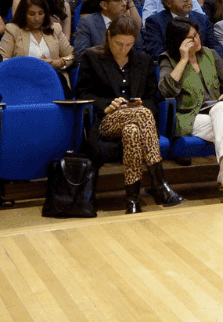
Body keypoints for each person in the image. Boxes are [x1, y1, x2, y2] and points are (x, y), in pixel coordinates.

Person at [76, 14, 181, 213]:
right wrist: (109, 105)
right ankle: (159, 184)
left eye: (129, 44)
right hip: (106, 120)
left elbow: (152, 98)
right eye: (119, 44)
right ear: (108, 36)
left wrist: (138, 105)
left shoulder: (143, 60)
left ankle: (132, 200)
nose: (123, 49)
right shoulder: (92, 58)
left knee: (132, 130)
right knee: (141, 115)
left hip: (137, 121)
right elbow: (83, 94)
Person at [157, 16, 223, 202]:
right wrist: (184, 59)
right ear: (179, 42)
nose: (197, 39)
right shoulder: (168, 59)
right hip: (190, 117)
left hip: (217, 112)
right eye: (191, 38)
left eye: (197, 34)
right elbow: (166, 90)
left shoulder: (210, 54)